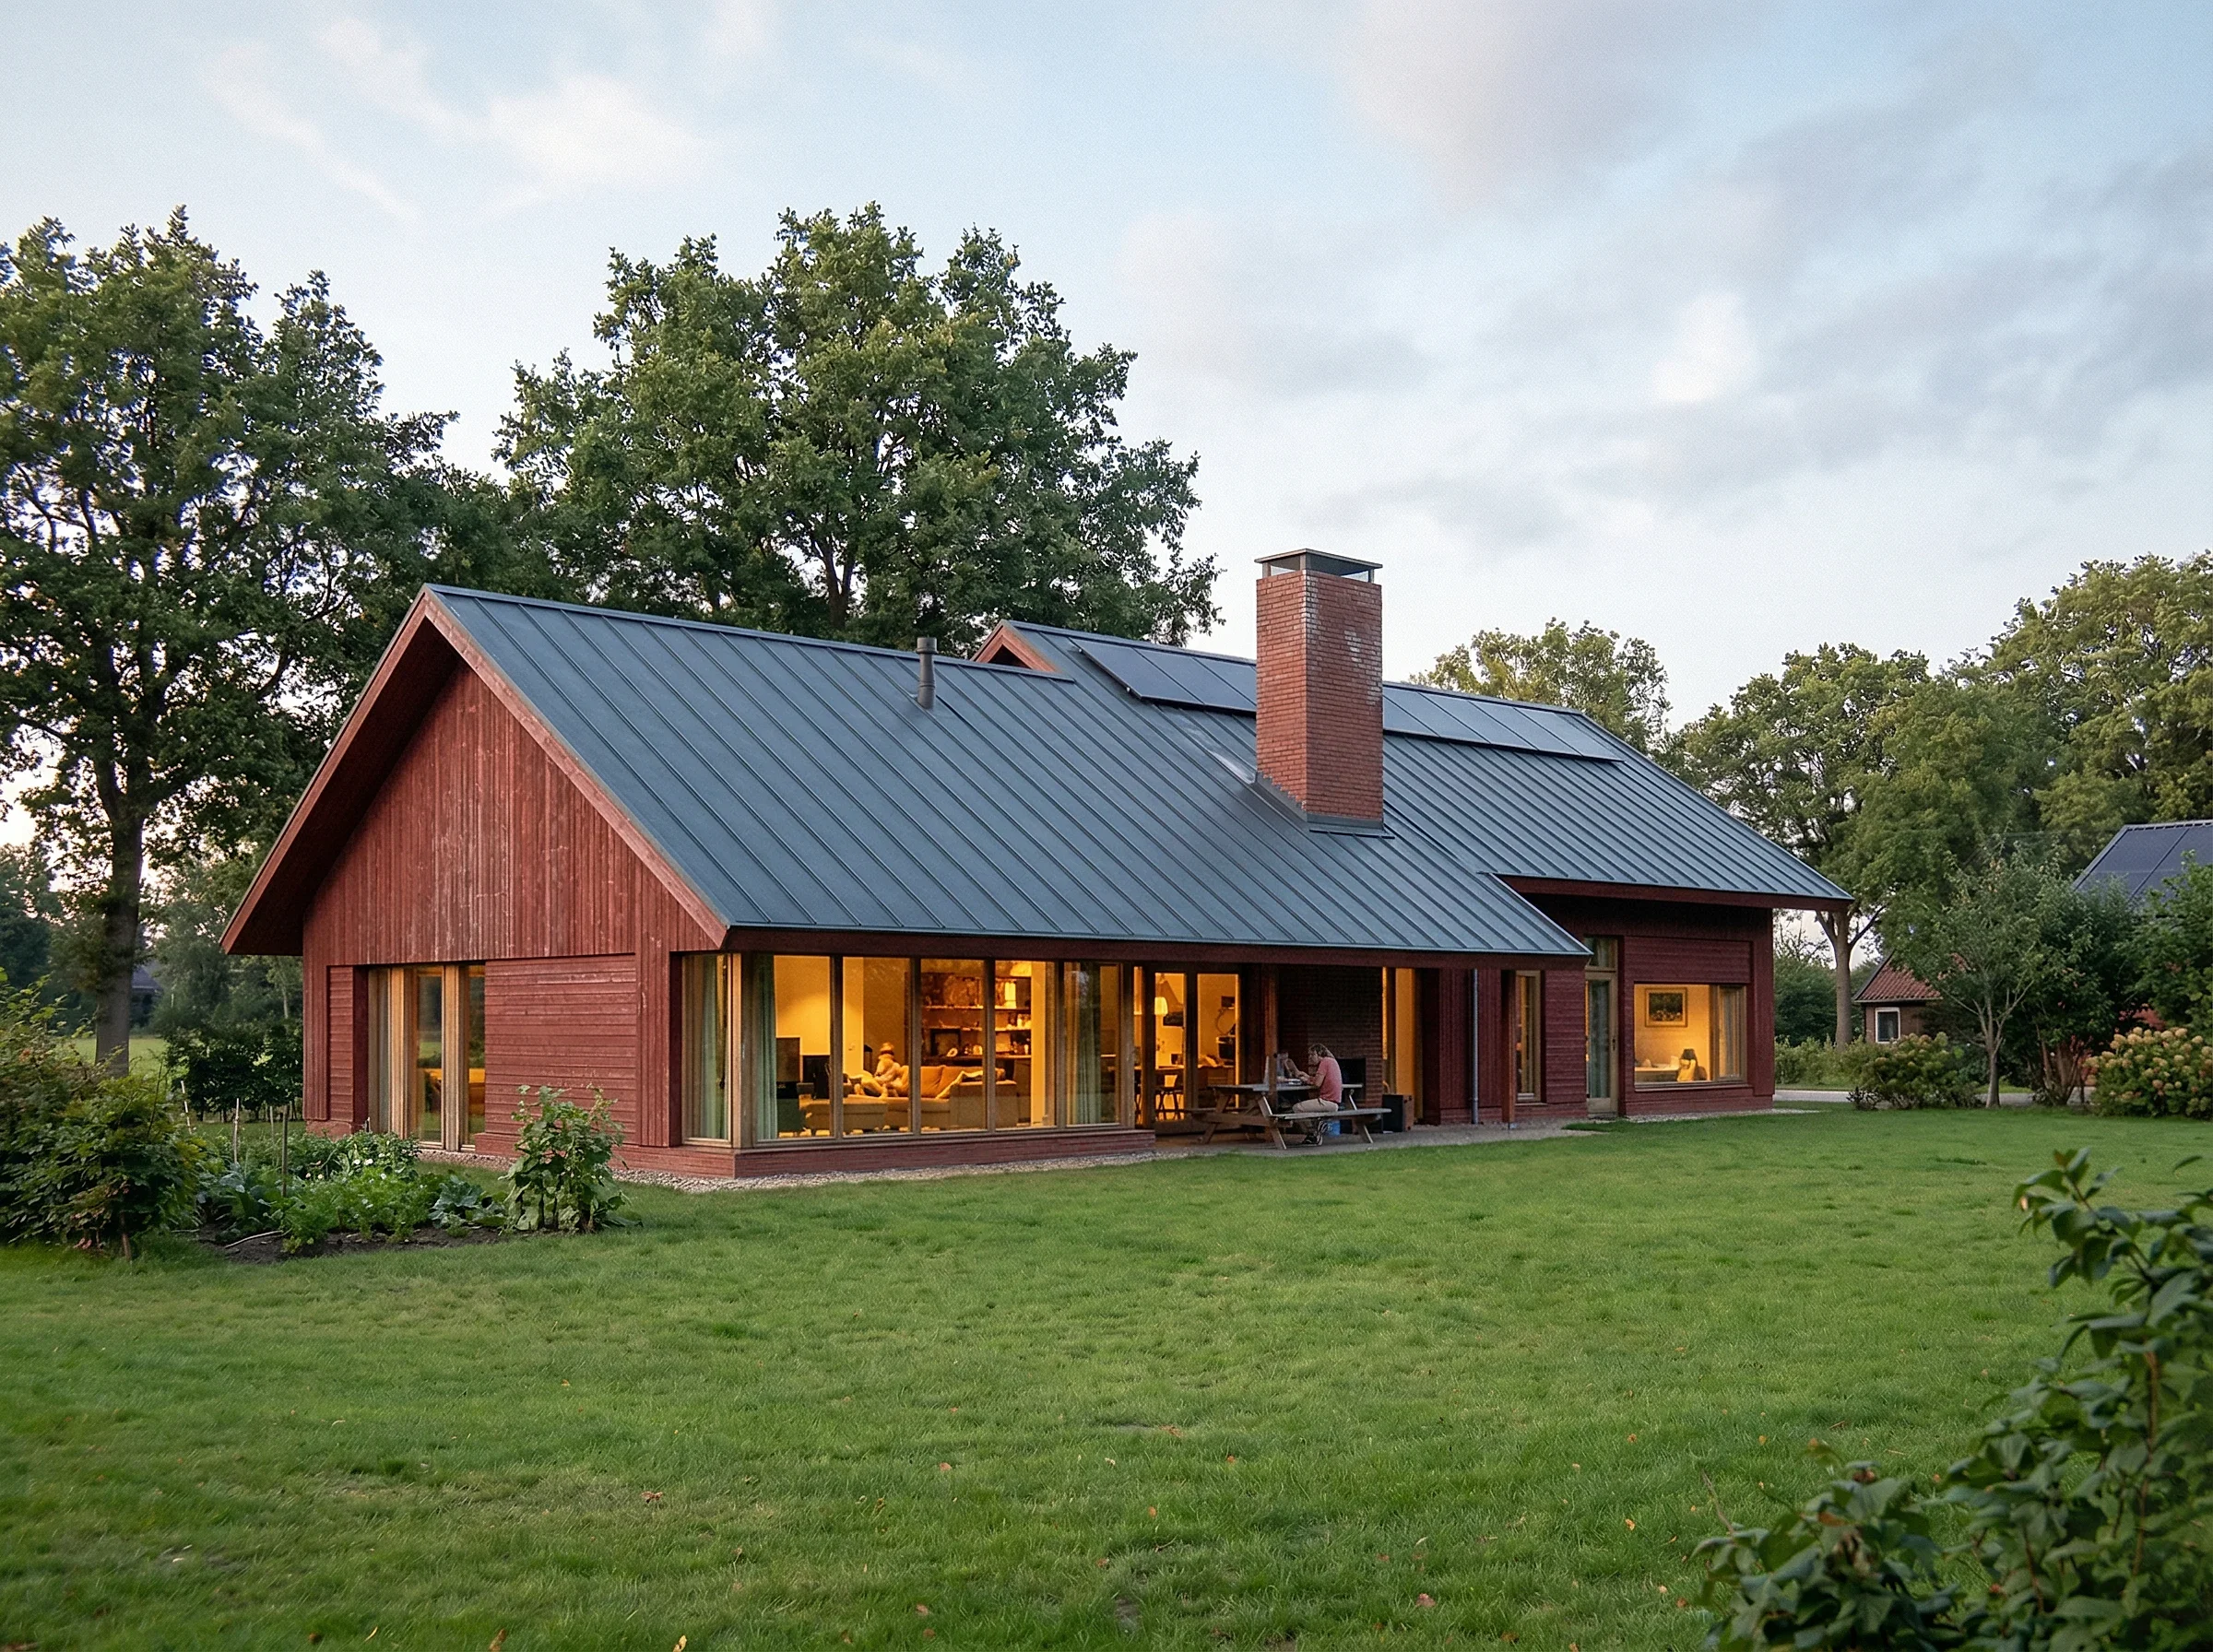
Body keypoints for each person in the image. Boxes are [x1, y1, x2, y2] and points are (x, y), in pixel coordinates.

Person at [1290, 1044, 1345, 1115]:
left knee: (1296, 1107)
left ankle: (1309, 1123)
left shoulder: (1324, 1062)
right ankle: (1312, 1122)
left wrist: (1306, 1080)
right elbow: (1320, 1079)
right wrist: (1308, 1077)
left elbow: (1317, 1084)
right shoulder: (1331, 1061)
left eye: (1313, 1054)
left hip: (1327, 1102)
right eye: (1309, 1055)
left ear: (1320, 1054)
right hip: (1335, 1101)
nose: (1310, 1057)